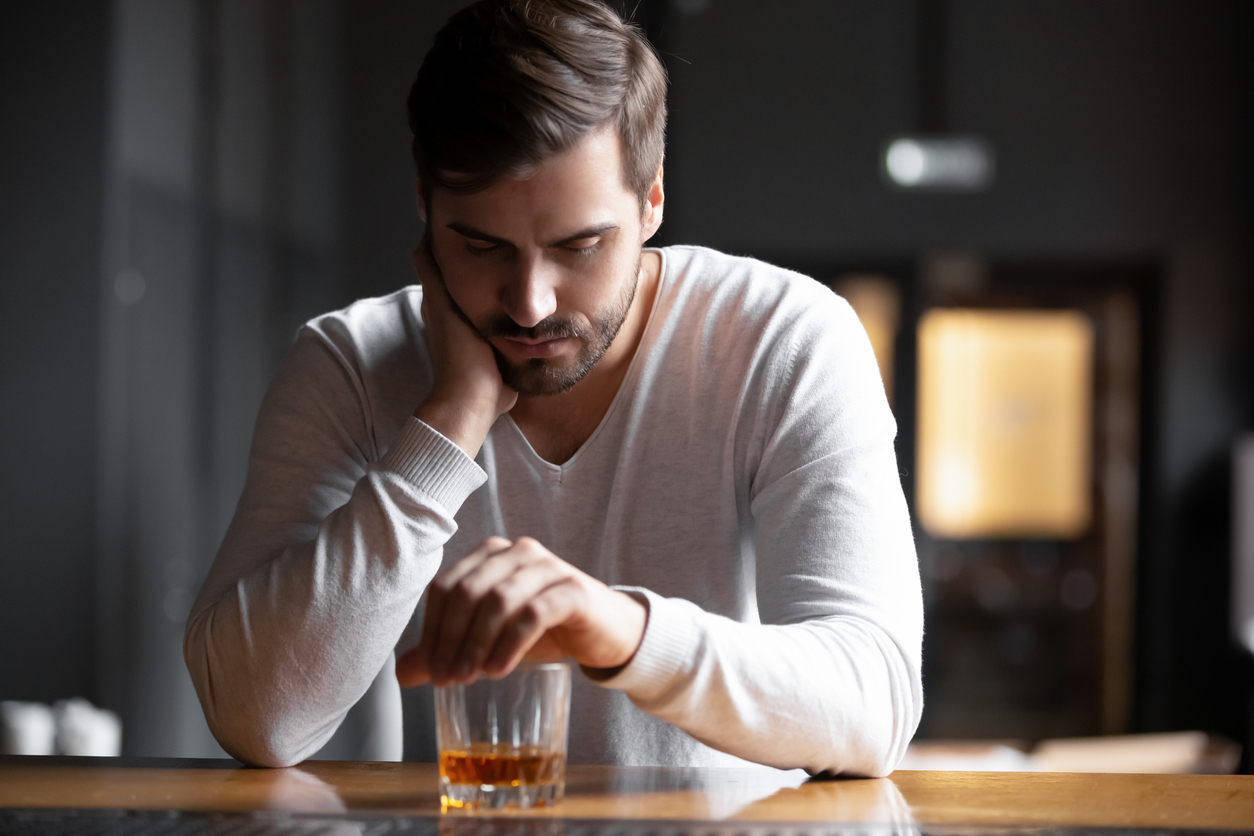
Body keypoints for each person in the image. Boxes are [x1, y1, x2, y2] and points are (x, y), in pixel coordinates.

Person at [184, 0, 922, 776]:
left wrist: (619, 631)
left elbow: (874, 704)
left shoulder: (784, 338)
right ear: (424, 212)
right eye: (480, 245)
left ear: (652, 203)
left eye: (580, 245)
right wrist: (446, 426)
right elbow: (258, 719)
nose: (529, 302)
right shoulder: (350, 365)